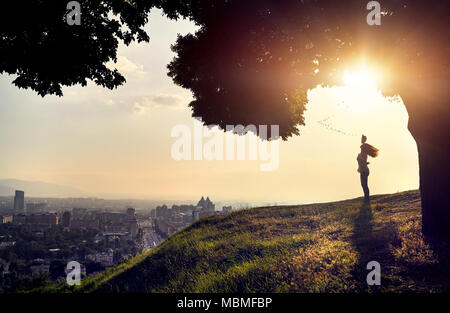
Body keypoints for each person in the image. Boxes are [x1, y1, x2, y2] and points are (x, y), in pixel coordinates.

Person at [357, 135, 379, 202]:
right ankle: (366, 198)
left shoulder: (363, 154)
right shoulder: (362, 153)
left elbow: (363, 161)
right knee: (364, 185)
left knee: (364, 185)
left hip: (364, 171)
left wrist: (365, 163)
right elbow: (363, 161)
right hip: (363, 170)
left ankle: (367, 199)